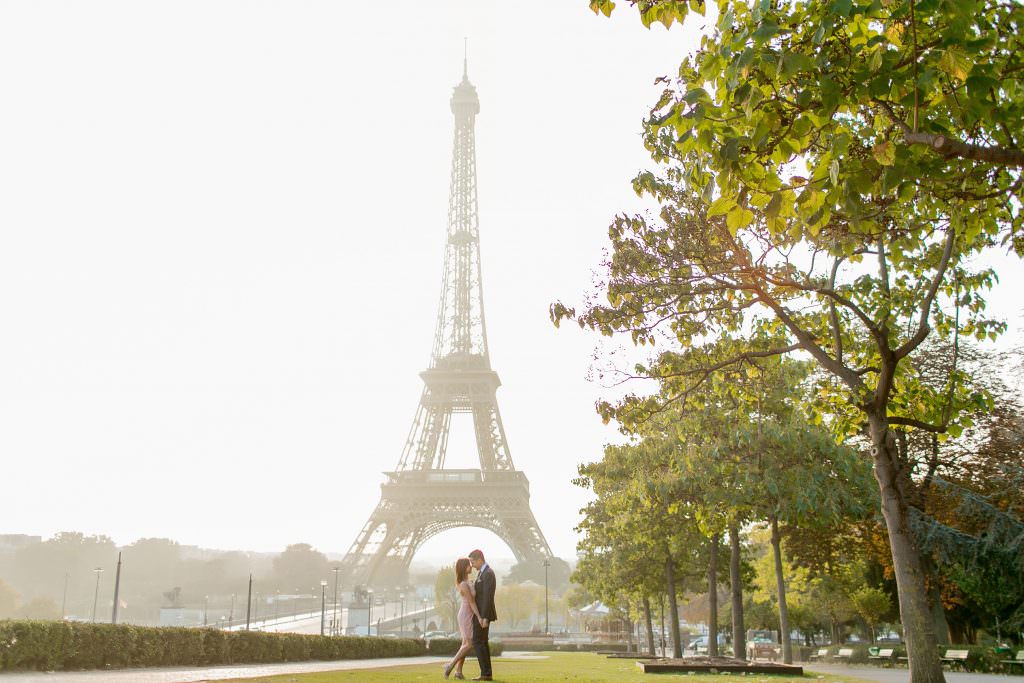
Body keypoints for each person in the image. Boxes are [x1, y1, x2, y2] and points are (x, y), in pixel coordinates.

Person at [443, 557, 481, 680]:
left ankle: (458, 672)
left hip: (467, 614)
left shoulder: (467, 581)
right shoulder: (463, 584)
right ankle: (450, 665)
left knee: (465, 644)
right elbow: (471, 602)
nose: (471, 566)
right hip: (465, 615)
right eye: (469, 565)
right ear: (464, 568)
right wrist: (479, 617)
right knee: (469, 644)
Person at [468, 548, 496, 681]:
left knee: (478, 642)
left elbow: (488, 597)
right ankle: (486, 673)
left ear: (480, 559)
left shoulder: (487, 573)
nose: (471, 565)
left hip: (483, 615)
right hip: (481, 613)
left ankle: (485, 673)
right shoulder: (483, 573)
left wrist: (484, 617)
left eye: (473, 562)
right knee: (482, 642)